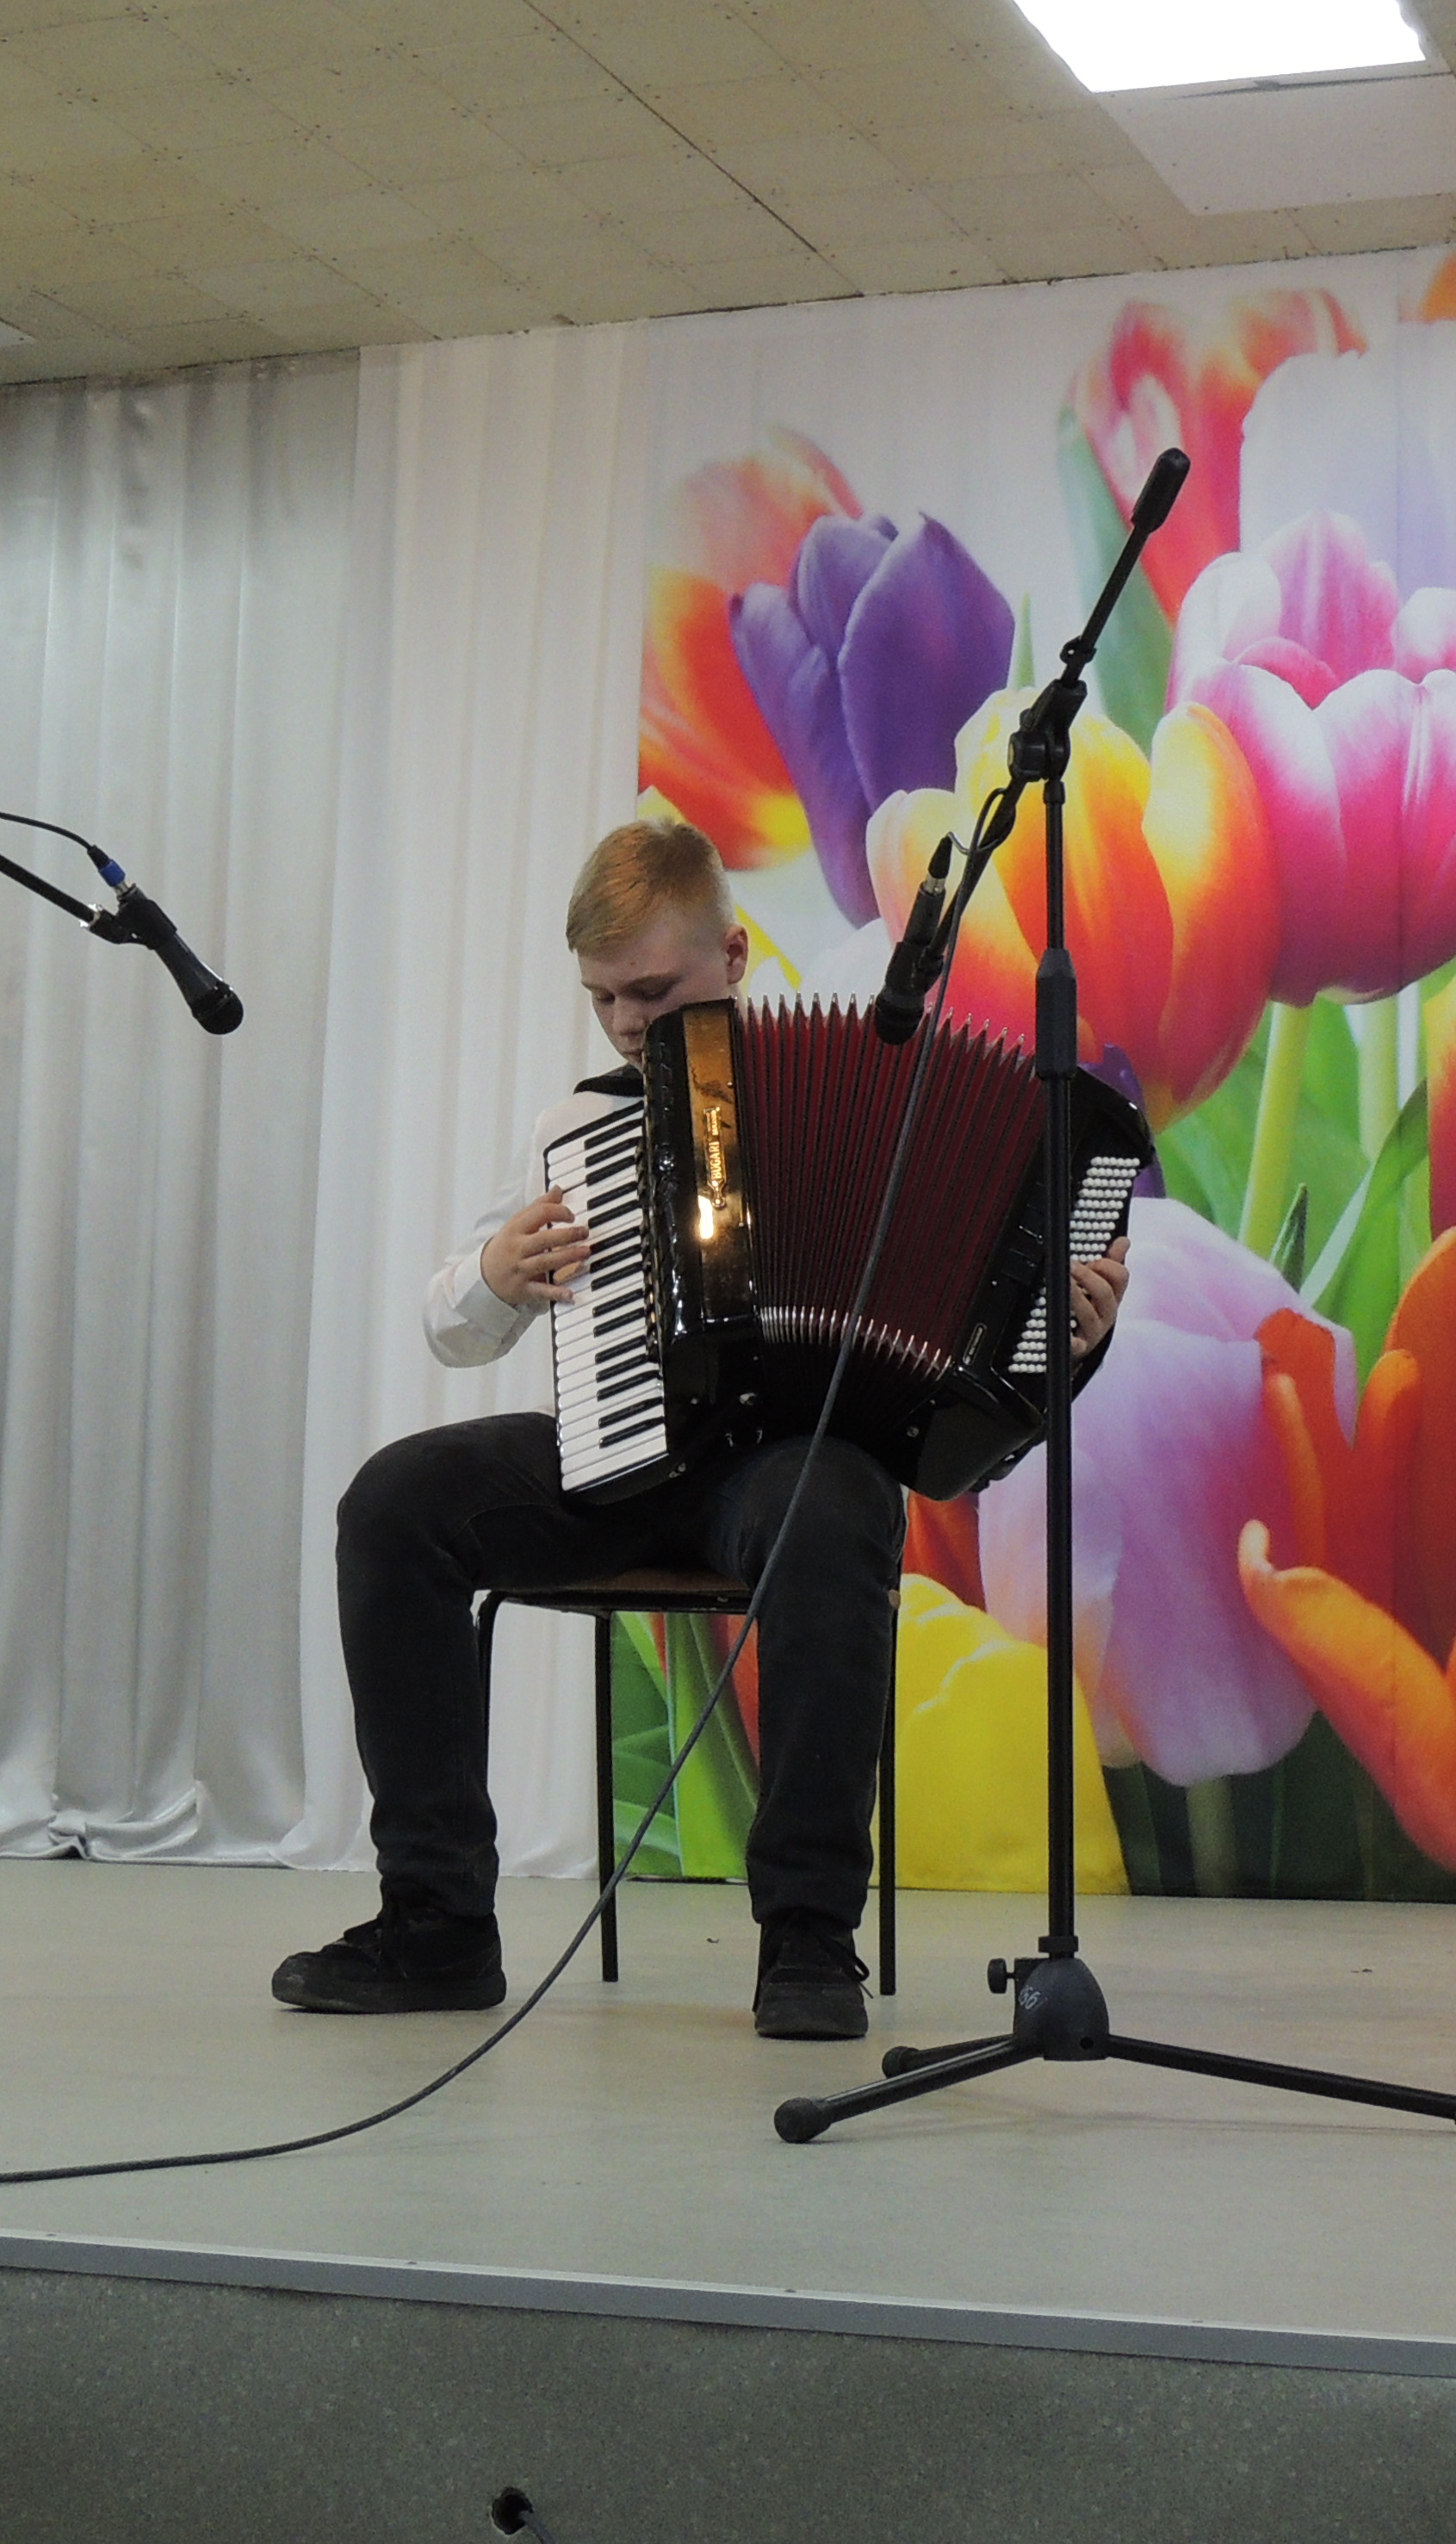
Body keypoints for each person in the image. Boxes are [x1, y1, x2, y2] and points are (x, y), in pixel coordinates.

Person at [274, 820, 1126, 2041]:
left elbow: (993, 1390)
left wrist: (1071, 1337)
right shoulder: (581, 1122)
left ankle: (808, 1939)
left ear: (732, 955)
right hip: (613, 1458)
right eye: (602, 997)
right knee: (394, 1502)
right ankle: (437, 1922)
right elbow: (451, 1327)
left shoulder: (867, 1096)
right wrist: (494, 1277)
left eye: (652, 991)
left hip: (777, 1476)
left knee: (838, 1501)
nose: (626, 1024)